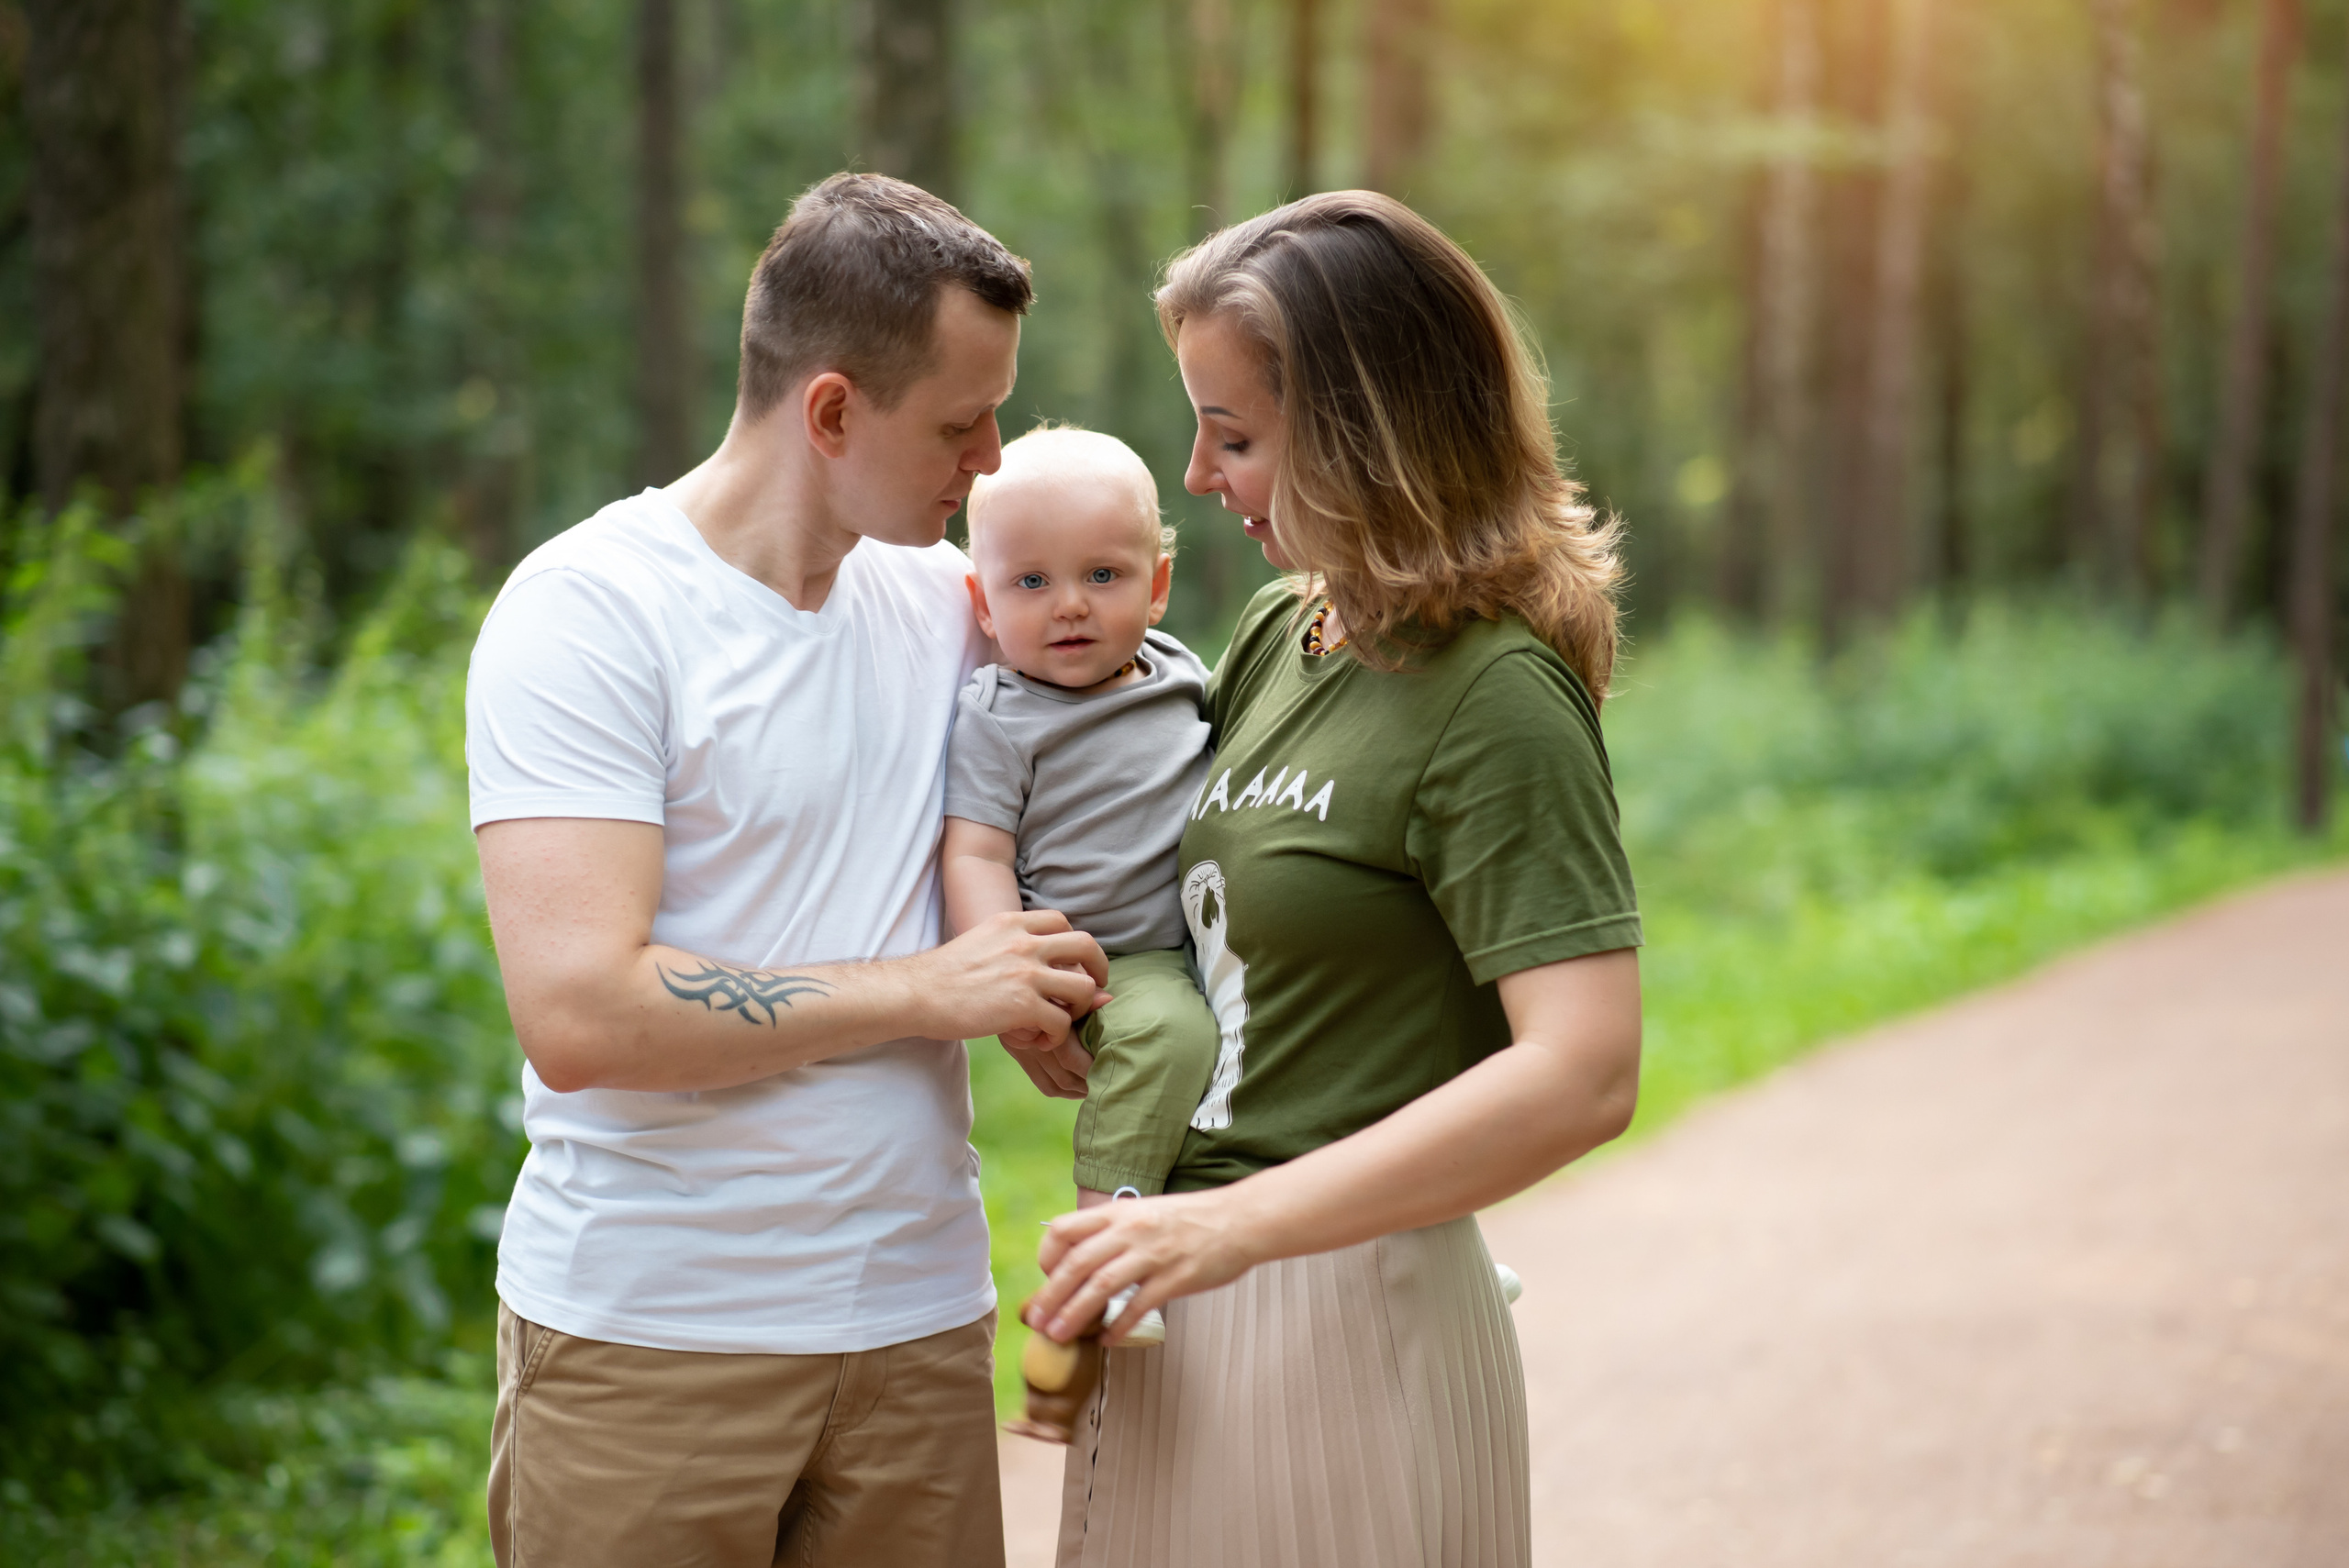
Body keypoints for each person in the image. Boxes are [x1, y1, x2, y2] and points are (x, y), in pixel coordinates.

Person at [463, 172, 1110, 1568]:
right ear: (829, 412)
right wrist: (932, 989)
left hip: (919, 1336)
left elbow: (1128, 745)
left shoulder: (950, 604)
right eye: (958, 421)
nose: (991, 458)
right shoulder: (588, 614)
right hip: (653, 1343)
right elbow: (582, 1015)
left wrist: (1072, 993)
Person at [1024, 191, 1645, 1566]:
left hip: (1348, 1305)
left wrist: (1233, 1228)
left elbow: (1586, 1069)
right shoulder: (1276, 629)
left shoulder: (1496, 695)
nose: (1196, 475)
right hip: (1188, 1295)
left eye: (1234, 434)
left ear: (1369, 432)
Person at [940, 426, 1222, 1354]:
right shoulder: (1002, 715)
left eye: (1103, 575)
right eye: (1031, 582)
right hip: (1112, 958)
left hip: (1216, 933)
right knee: (1165, 1035)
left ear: (1157, 585)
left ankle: (1412, 1231)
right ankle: (1104, 1261)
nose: (1069, 606)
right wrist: (1013, 984)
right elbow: (976, 853)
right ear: (982, 601)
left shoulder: (1182, 673)